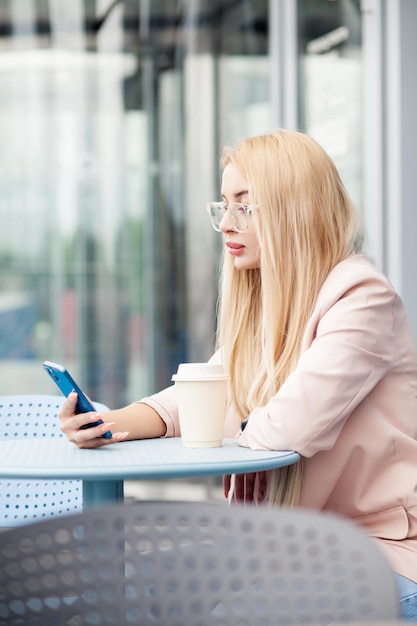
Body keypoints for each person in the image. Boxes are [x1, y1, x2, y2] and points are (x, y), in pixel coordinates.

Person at [59, 129, 417, 619]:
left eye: (245, 206)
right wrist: (107, 424)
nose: (226, 223)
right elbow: (196, 398)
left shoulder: (363, 299)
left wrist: (231, 420)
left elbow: (286, 428)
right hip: (287, 548)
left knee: (235, 616)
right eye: (223, 205)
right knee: (132, 589)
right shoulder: (269, 305)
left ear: (294, 209)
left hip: (380, 554)